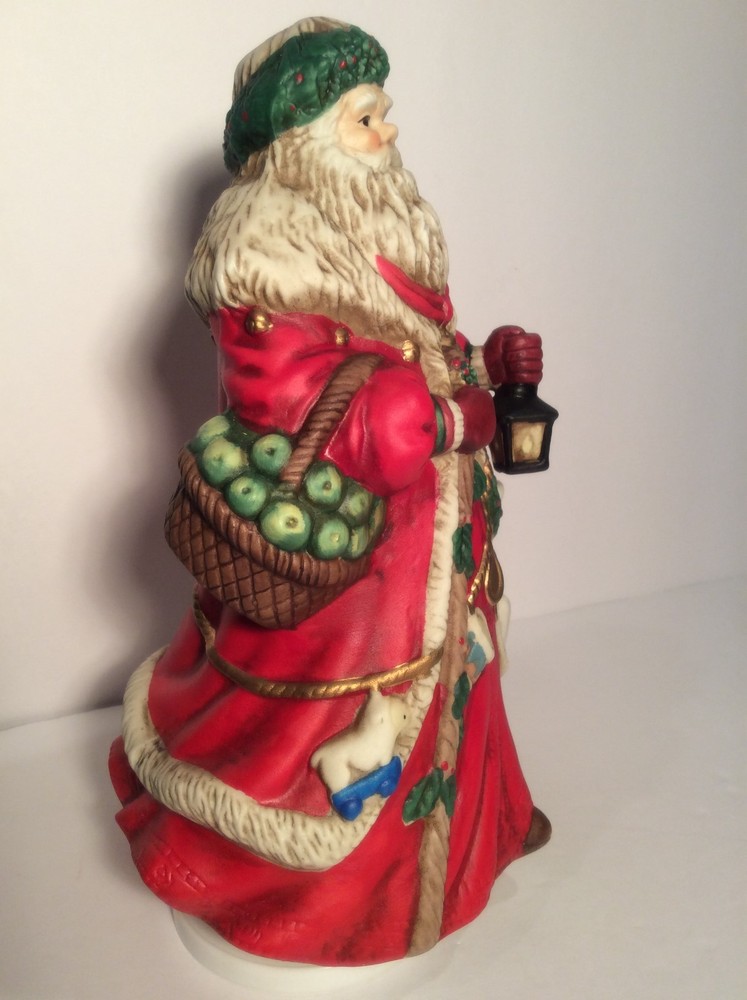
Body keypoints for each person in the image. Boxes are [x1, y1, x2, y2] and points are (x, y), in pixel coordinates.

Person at [109, 17, 551, 966]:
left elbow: (415, 352)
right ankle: (317, 910)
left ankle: (471, 844)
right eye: (362, 118)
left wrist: (483, 362)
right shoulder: (265, 254)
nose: (386, 132)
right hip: (349, 571)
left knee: (452, 678)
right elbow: (293, 403)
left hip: (428, 544)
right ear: (303, 141)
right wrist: (447, 420)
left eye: (383, 112)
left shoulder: (374, 223)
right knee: (328, 735)